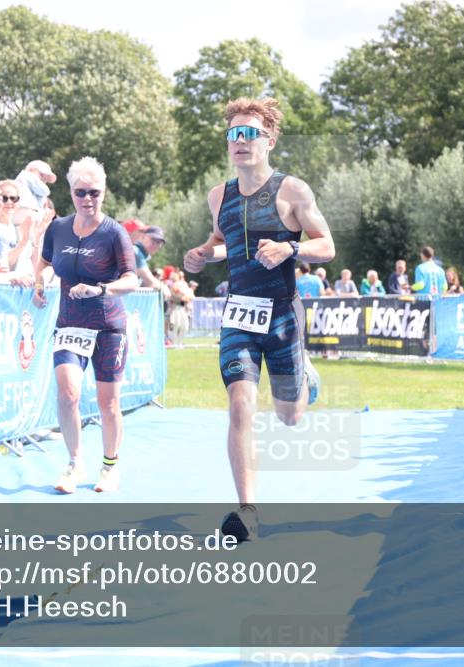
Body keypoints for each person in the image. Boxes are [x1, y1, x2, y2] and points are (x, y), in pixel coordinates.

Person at [183, 96, 335, 541]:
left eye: (250, 133)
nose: (241, 141)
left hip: (284, 316)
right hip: (240, 316)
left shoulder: (293, 191)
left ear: (268, 141)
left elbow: (326, 246)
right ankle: (247, 512)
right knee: (240, 405)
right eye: (234, 134)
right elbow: (221, 240)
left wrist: (290, 248)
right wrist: (202, 255)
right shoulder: (219, 196)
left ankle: (305, 373)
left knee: (290, 416)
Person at [32, 157, 137, 495]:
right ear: (71, 193)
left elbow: (132, 279)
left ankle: (110, 466)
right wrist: (40, 282)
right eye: (81, 193)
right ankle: (75, 463)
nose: (88, 199)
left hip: (108, 326)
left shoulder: (114, 233)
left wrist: (101, 289)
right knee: (67, 393)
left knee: (108, 402)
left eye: (95, 193)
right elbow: (47, 263)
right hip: (70, 324)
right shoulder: (58, 228)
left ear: (103, 193)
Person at [133, 225, 167, 289]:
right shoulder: (136, 252)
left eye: (159, 242)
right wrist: (163, 288)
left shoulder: (142, 254)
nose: (156, 245)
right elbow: (150, 281)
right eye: (153, 240)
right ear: (143, 237)